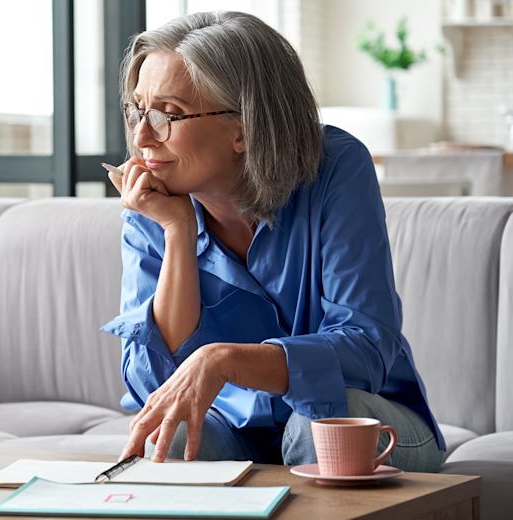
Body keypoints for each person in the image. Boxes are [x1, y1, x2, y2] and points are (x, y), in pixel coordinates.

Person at [99, 11, 446, 472]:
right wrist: (177, 233)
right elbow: (155, 385)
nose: (142, 137)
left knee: (317, 425)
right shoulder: (153, 202)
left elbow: (366, 348)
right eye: (136, 110)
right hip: (235, 429)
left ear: (243, 127)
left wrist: (225, 361)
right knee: (173, 435)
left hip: (368, 418)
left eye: (168, 115)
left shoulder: (336, 169)